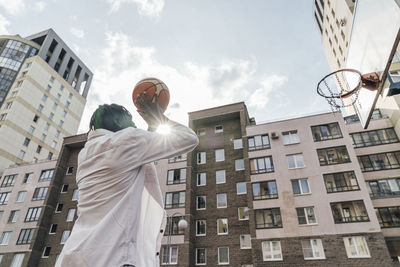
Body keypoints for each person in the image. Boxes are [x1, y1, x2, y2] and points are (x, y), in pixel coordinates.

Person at [55, 94, 199, 267]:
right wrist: (159, 117)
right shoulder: (126, 141)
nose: (133, 125)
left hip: (77, 254)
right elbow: (189, 138)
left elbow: (131, 153)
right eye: (129, 120)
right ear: (117, 123)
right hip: (113, 257)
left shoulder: (85, 154)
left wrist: (150, 129)